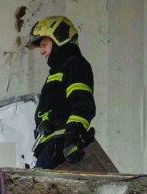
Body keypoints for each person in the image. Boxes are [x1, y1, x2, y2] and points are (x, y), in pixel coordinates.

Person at [28, 16, 96, 169]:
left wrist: (72, 139)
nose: (42, 51)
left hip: (61, 147)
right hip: (51, 147)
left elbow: (82, 105)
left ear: (59, 38)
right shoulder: (56, 73)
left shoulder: (75, 65)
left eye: (44, 44)